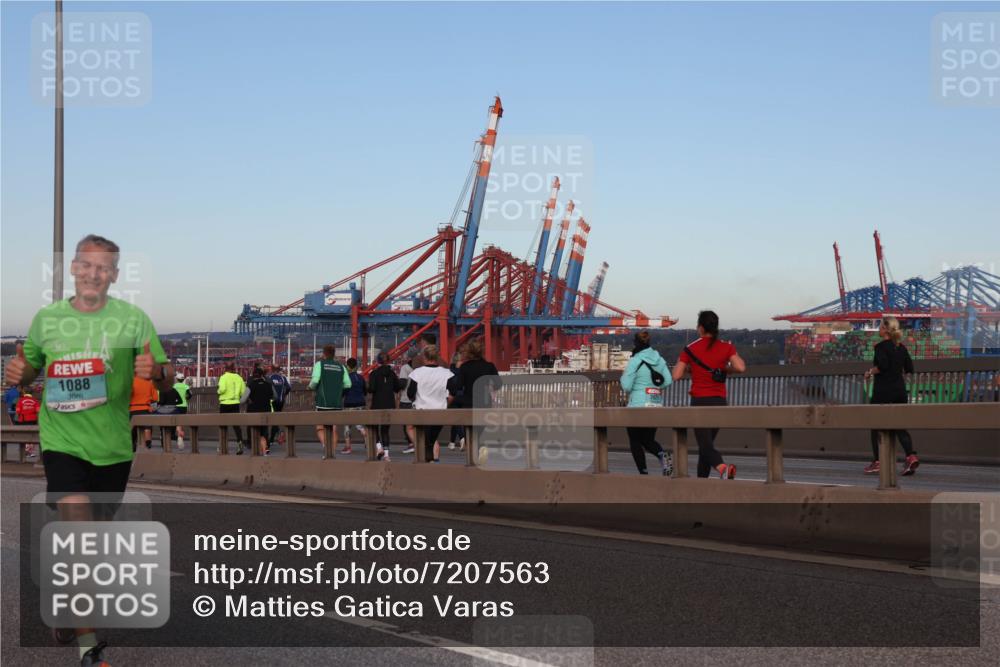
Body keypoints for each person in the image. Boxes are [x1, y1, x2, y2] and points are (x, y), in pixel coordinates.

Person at [4, 233, 173, 666]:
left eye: (104, 267)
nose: (93, 273)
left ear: (114, 275)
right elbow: (29, 370)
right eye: (86, 264)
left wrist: (156, 371)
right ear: (73, 269)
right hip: (62, 443)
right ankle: (89, 648)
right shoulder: (48, 319)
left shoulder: (133, 320)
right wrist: (20, 372)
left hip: (113, 448)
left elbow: (166, 380)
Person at [672, 310, 746, 479]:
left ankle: (723, 469)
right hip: (720, 402)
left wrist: (687, 365)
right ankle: (701, 483)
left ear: (700, 328)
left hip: (699, 402)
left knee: (705, 446)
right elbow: (741, 367)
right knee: (706, 445)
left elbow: (676, 376)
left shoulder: (690, 349)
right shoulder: (726, 347)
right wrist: (726, 368)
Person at [863, 317, 919, 476]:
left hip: (883, 392)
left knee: (876, 426)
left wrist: (869, 372)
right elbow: (909, 368)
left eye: (880, 326)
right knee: (900, 426)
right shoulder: (901, 347)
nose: (878, 329)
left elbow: (882, 366)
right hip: (900, 391)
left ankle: (878, 462)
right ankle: (911, 456)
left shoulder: (880, 347)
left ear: (886, 330)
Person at [619, 331, 673, 476]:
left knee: (635, 440)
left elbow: (627, 386)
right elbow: (667, 380)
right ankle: (662, 455)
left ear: (636, 343)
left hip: (637, 406)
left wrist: (624, 379)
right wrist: (653, 388)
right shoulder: (659, 359)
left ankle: (643, 473)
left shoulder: (635, 360)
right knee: (648, 440)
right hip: (655, 404)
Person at [447, 338, 500, 455]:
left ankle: (473, 456)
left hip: (468, 402)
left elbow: (458, 386)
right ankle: (479, 449)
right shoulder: (489, 366)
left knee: (469, 430)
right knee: (479, 429)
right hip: (484, 402)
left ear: (469, 352)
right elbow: (498, 384)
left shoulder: (465, 367)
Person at [405, 345, 453, 462]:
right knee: (432, 438)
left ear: (424, 357)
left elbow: (410, 393)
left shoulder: (417, 373)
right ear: (437, 356)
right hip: (440, 411)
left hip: (421, 411)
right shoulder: (447, 373)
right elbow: (453, 392)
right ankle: (432, 459)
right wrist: (445, 403)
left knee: (411, 428)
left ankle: (424, 455)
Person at [308, 345, 351, 456]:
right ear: (334, 354)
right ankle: (332, 452)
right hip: (337, 404)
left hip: (322, 403)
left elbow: (315, 380)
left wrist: (310, 387)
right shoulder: (341, 367)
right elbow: (348, 384)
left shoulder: (319, 364)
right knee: (333, 429)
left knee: (319, 427)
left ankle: (326, 448)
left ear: (324, 354)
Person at [368, 352, 404, 460]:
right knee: (385, 430)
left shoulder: (374, 373)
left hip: (377, 403)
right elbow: (397, 388)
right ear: (388, 361)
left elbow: (372, 389)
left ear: (378, 361)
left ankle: (379, 448)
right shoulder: (392, 374)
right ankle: (387, 455)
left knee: (373, 427)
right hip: (389, 404)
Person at [245, 366, 276, 455]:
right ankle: (265, 448)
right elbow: (275, 397)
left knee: (255, 431)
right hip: (266, 409)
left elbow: (243, 399)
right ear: (262, 375)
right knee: (264, 431)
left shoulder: (251, 385)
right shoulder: (268, 385)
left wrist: (249, 401)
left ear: (253, 376)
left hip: (253, 411)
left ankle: (259, 450)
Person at [217, 362, 247, 454]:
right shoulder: (239, 378)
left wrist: (218, 391)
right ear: (234, 368)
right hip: (235, 403)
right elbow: (243, 392)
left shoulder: (223, 377)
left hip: (225, 403)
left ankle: (222, 446)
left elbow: (222, 389)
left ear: (225, 368)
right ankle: (240, 443)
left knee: (223, 426)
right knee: (236, 426)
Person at [341, 358, 367, 454]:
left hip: (349, 403)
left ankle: (348, 447)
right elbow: (365, 391)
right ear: (356, 366)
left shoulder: (346, 378)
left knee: (347, 426)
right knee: (359, 424)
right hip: (361, 403)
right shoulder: (361, 378)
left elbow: (343, 392)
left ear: (348, 367)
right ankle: (367, 439)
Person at [129, 375, 157, 450]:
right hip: (145, 408)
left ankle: (132, 444)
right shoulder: (150, 382)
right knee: (147, 427)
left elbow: (128, 395)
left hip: (133, 408)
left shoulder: (131, 382)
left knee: (132, 428)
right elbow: (155, 398)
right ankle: (148, 444)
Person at [267, 364, 291, 449]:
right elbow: (288, 388)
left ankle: (280, 432)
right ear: (279, 369)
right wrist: (284, 395)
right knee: (276, 418)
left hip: (272, 401)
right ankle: (272, 439)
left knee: (274, 419)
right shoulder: (283, 378)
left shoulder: (269, 378)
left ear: (272, 369)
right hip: (280, 402)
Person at [398, 352, 417, 453]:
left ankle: (412, 444)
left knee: (406, 424)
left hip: (406, 399)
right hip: (418, 400)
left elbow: (402, 383)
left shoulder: (405, 368)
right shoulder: (419, 368)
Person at [15, 388, 40, 458]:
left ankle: (25, 450)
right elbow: (38, 410)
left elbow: (17, 411)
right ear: (31, 393)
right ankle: (29, 451)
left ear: (24, 393)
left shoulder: (20, 400)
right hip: (33, 420)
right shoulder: (35, 400)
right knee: (31, 436)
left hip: (23, 420)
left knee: (24, 435)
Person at [172, 373, 191, 450]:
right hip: (184, 406)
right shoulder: (186, 386)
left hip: (176, 406)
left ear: (176, 379)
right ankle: (180, 437)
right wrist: (185, 398)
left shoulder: (174, 386)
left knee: (176, 422)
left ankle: (178, 437)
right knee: (181, 422)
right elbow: (189, 395)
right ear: (183, 379)